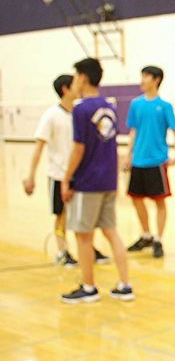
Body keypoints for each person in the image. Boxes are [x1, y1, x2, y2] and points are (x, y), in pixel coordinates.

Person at [60, 58, 132, 304]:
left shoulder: (81, 109)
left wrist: (66, 179)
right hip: (108, 181)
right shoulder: (109, 107)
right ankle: (125, 284)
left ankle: (89, 287)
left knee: (83, 236)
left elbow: (78, 148)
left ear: (83, 77)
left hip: (88, 182)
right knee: (111, 232)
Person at [23, 74, 110, 266]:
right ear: (65, 89)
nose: (79, 85)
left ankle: (89, 249)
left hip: (81, 175)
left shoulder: (80, 112)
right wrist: (31, 176)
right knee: (61, 215)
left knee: (87, 215)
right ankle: (63, 252)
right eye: (74, 83)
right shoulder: (51, 115)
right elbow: (39, 147)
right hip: (58, 175)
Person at [123, 66, 175, 259]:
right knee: (136, 198)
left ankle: (158, 239)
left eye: (146, 76)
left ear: (156, 80)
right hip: (138, 160)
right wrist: (128, 155)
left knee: (160, 201)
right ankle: (146, 235)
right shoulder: (136, 104)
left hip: (157, 161)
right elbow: (133, 131)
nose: (142, 80)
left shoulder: (164, 106)